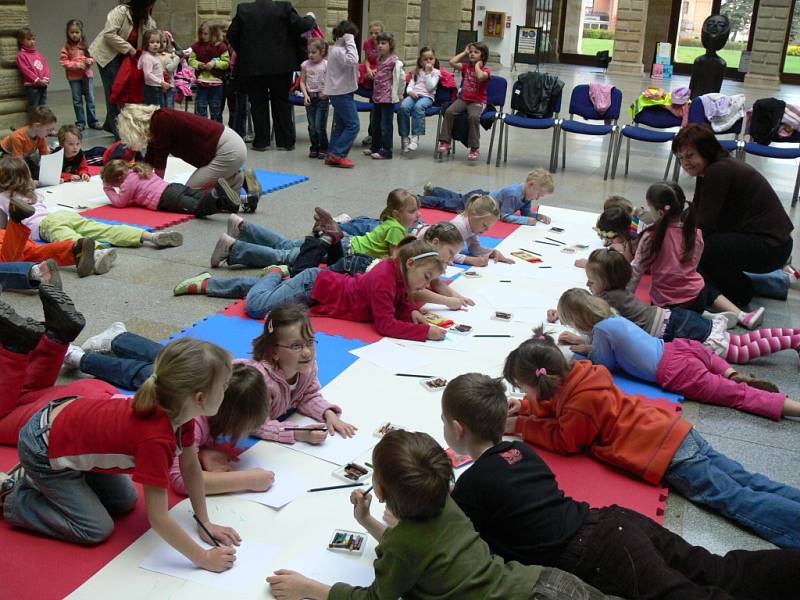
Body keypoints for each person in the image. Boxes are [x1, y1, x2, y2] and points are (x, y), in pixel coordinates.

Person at [444, 372, 800, 600]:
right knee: (714, 569)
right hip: (613, 521)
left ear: (458, 429)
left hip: (598, 552)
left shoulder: (471, 485)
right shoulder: (520, 451)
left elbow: (460, 545)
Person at [0, 291, 242, 571]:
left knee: (126, 502)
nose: (226, 392)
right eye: (223, 387)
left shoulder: (182, 414)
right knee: (95, 529)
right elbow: (159, 518)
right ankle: (12, 495)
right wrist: (202, 558)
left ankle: (61, 477)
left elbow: (190, 467)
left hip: (64, 429)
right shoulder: (156, 437)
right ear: (199, 398)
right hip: (42, 448)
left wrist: (205, 521)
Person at [504, 328, 800, 549]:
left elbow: (566, 439)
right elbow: (558, 405)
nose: (523, 396)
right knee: (747, 480)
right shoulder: (581, 374)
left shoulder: (580, 405)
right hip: (676, 432)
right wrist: (528, 406)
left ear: (540, 382)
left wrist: (522, 425)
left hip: (667, 454)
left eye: (523, 390)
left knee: (734, 498)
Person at [266, 429, 620, 600]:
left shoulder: (403, 544)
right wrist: (368, 523)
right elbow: (423, 550)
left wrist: (308, 588)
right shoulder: (447, 503)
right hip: (543, 582)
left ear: (383, 491)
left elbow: (375, 599)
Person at [555, 288, 800, 421]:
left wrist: (587, 351)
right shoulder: (612, 316)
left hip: (675, 371)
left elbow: (605, 364)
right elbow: (617, 341)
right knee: (729, 350)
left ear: (578, 320)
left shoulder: (600, 331)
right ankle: (731, 372)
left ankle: (793, 407)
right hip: (679, 347)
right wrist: (585, 341)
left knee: (738, 396)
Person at [173, 238, 449, 341]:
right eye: (425, 277)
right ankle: (273, 272)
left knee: (270, 298)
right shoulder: (385, 277)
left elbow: (397, 303)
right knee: (258, 308)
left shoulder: (400, 276)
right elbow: (385, 324)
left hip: (317, 299)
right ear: (409, 263)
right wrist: (424, 332)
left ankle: (213, 283)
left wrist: (409, 312)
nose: (425, 286)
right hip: (314, 286)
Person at [570, 248, 800, 365]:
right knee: (739, 341)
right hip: (676, 318)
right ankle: (793, 335)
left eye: (592, 280)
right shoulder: (620, 290)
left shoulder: (608, 300)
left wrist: (583, 342)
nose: (588, 284)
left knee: (738, 352)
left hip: (675, 330)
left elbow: (603, 334)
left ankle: (794, 340)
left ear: (607, 282)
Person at [672, 123, 794, 306]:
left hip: (771, 247)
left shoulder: (719, 171)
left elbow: (704, 225)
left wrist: (675, 241)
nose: (685, 163)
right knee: (696, 244)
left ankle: (739, 293)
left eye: (690, 155)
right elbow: (697, 208)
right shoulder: (712, 168)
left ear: (706, 150)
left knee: (700, 248)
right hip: (773, 242)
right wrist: (673, 223)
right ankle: (761, 284)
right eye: (681, 158)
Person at [0, 157, 181, 272]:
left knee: (72, 240)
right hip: (64, 214)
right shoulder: (32, 191)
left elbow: (3, 228)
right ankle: (150, 236)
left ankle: (97, 253)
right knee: (104, 229)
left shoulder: (2, 196)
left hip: (45, 226)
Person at [629, 182, 765, 329]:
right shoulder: (694, 233)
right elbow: (694, 265)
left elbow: (636, 269)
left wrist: (626, 299)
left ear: (660, 212)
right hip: (697, 298)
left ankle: (707, 323)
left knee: (653, 322)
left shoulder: (651, 237)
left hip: (668, 305)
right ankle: (703, 316)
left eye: (650, 207)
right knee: (695, 280)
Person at [205, 189, 419, 271]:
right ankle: (233, 249)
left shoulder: (391, 223)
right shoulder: (397, 230)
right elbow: (394, 259)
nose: (417, 215)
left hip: (346, 242)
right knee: (286, 256)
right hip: (346, 250)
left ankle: (242, 227)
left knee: (288, 246)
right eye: (412, 211)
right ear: (397, 214)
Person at [236, 304, 356, 443]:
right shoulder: (261, 382)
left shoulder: (307, 368)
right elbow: (255, 425)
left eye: (310, 342)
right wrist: (297, 433)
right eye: (296, 346)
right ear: (274, 352)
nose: (307, 352)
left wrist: (328, 414)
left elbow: (307, 396)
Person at [227, 0, 316, 151]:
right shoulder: (284, 7)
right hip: (281, 65)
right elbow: (301, 25)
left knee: (258, 104)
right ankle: (285, 141)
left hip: (253, 66)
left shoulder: (243, 9)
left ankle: (262, 141)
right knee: (281, 102)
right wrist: (311, 17)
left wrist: (246, 51)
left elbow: (232, 34)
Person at [117, 104, 251, 194]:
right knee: (196, 190)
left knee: (189, 193)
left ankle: (236, 180)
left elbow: (160, 162)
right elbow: (150, 159)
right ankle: (234, 177)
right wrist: (136, 175)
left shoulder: (160, 121)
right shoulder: (157, 122)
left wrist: (156, 189)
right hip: (229, 146)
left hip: (228, 150)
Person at [89, 0, 157, 138]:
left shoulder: (146, 20)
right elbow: (109, 34)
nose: (151, 7)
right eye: (150, 3)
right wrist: (130, 49)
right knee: (115, 92)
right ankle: (119, 134)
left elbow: (151, 35)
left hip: (124, 57)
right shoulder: (121, 12)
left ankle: (110, 124)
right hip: (107, 56)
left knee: (124, 91)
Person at [0, 193, 96, 278]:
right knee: (33, 252)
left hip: (10, 240)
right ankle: (75, 248)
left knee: (5, 265)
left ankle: (15, 221)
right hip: (9, 237)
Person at [101, 159, 241, 216]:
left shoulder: (127, 183)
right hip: (174, 187)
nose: (117, 188)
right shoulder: (138, 169)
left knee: (199, 209)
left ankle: (216, 193)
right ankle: (243, 201)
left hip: (168, 199)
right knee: (202, 198)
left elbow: (120, 203)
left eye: (115, 185)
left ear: (119, 178)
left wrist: (107, 188)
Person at [421, 168, 555, 225]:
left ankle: (434, 190)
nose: (537, 198)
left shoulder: (527, 194)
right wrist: (526, 221)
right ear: (531, 185)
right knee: (448, 204)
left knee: (456, 198)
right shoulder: (514, 194)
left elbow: (525, 213)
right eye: (538, 194)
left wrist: (538, 216)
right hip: (479, 203)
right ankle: (419, 199)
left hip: (483, 197)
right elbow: (505, 216)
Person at [420, 194, 512, 266]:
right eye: (484, 225)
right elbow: (446, 252)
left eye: (488, 228)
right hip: (421, 239)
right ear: (473, 214)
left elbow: (474, 247)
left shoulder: (472, 225)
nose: (486, 231)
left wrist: (492, 252)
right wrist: (470, 260)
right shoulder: (460, 226)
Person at [437, 42, 491, 162]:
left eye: (476, 52)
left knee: (473, 117)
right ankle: (445, 142)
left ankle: (474, 148)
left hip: (477, 101)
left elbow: (480, 77)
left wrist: (477, 65)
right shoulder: (466, 67)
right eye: (471, 52)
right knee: (449, 111)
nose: (472, 54)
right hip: (463, 99)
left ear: (483, 56)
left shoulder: (486, 70)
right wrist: (464, 52)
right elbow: (452, 62)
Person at [324, 21, 361, 168]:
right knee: (353, 125)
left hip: (343, 91)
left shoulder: (339, 49)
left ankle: (331, 154)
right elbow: (353, 60)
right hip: (341, 93)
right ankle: (338, 154)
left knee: (340, 126)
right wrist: (350, 39)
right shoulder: (339, 50)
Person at [363, 32, 400, 160]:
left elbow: (399, 77)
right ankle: (375, 147)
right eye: (378, 43)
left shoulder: (394, 60)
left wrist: (398, 94)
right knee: (375, 123)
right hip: (377, 96)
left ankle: (386, 150)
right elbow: (381, 74)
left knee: (386, 125)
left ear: (390, 45)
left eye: (383, 43)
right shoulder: (379, 59)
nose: (380, 46)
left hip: (388, 98)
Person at [60, 19, 100, 131]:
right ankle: (81, 122)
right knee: (77, 100)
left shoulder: (85, 46)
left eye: (77, 32)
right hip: (74, 78)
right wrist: (77, 65)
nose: (74, 35)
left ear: (81, 32)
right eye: (71, 32)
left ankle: (93, 121)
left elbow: (93, 57)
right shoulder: (66, 48)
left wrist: (89, 61)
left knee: (90, 99)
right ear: (68, 33)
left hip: (87, 76)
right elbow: (64, 62)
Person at [398, 47, 440, 153]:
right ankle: (404, 137)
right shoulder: (417, 72)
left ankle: (415, 137)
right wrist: (410, 91)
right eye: (425, 59)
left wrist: (427, 73)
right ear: (421, 61)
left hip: (427, 97)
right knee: (403, 107)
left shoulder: (436, 73)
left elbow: (430, 87)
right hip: (414, 95)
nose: (429, 61)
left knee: (418, 107)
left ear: (435, 60)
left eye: (431, 58)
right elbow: (411, 85)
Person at [0, 106, 56, 183]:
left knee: (38, 173)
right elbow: (18, 164)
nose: (51, 132)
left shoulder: (41, 136)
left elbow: (45, 155)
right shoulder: (17, 137)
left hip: (22, 156)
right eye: (48, 130)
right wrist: (29, 180)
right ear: (37, 126)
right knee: (13, 178)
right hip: (5, 157)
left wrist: (51, 175)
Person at [189, 21, 230, 121]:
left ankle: (217, 129)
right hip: (202, 82)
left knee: (215, 108)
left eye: (206, 34)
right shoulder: (197, 46)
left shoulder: (221, 47)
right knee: (200, 107)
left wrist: (214, 64)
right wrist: (199, 65)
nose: (203, 36)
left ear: (214, 34)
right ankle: (203, 128)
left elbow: (226, 63)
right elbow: (191, 60)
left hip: (216, 83)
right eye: (201, 33)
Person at [300, 38, 329, 159]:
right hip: (310, 98)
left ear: (322, 52)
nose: (310, 55)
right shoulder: (305, 65)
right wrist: (305, 95)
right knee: (312, 126)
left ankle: (324, 147)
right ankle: (314, 146)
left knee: (319, 125)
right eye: (309, 52)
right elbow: (302, 81)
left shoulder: (326, 64)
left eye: (313, 52)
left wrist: (327, 92)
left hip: (322, 98)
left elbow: (330, 80)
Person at [357, 20, 383, 148]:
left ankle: (375, 134)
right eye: (371, 33)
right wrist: (368, 70)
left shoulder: (384, 44)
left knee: (377, 108)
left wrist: (375, 71)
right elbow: (367, 59)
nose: (374, 36)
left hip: (381, 70)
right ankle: (371, 134)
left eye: (376, 33)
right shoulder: (367, 43)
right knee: (357, 68)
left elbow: (385, 61)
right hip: (370, 67)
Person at [16, 27, 50, 110]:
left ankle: (42, 122)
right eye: (28, 39)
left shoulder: (38, 54)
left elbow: (45, 66)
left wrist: (46, 78)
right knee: (34, 106)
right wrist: (37, 80)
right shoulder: (21, 55)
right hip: (32, 86)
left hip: (43, 85)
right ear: (21, 41)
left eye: (33, 39)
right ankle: (34, 122)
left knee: (43, 106)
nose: (32, 42)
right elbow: (25, 70)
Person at [139, 28, 167, 107]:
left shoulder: (154, 55)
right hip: (153, 88)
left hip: (157, 87)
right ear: (146, 43)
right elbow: (148, 74)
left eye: (157, 42)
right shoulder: (148, 57)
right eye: (152, 42)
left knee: (160, 108)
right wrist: (161, 82)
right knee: (157, 110)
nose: (155, 44)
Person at [158, 31, 181, 109]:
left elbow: (170, 69)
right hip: (158, 86)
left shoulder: (170, 55)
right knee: (159, 107)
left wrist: (176, 59)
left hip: (169, 86)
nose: (161, 44)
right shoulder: (152, 55)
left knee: (169, 107)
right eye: (159, 41)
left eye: (164, 41)